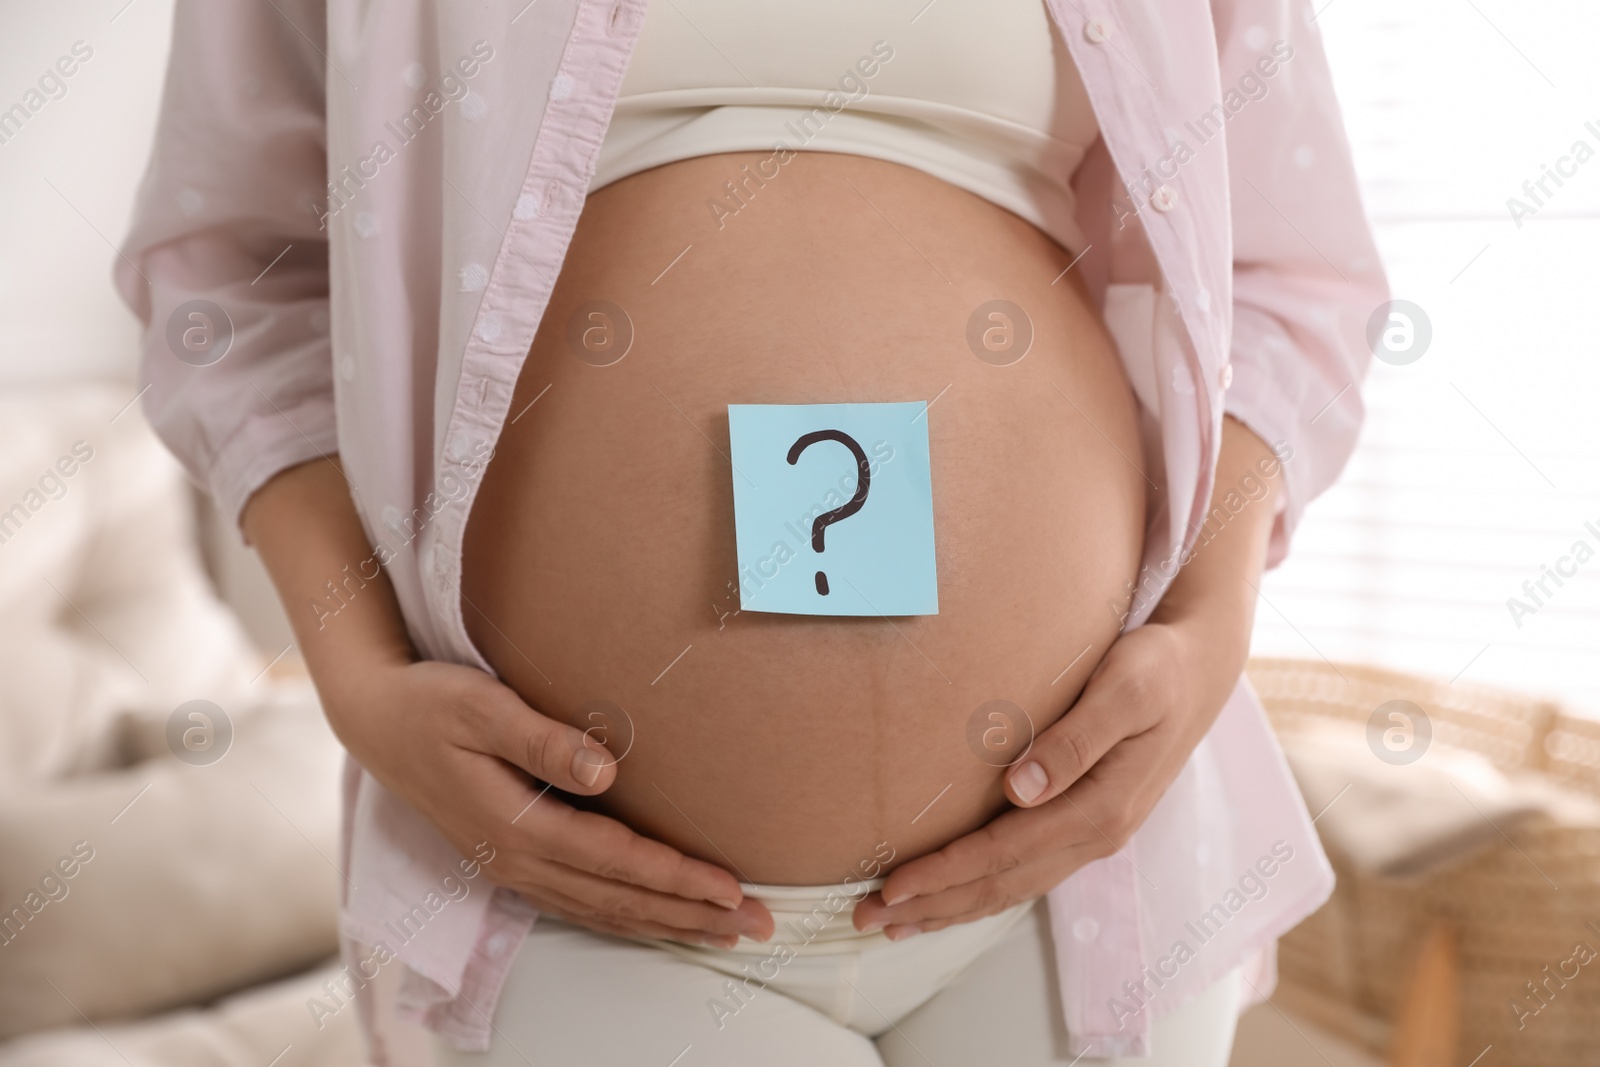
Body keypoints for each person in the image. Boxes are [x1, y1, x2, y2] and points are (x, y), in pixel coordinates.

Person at [116, 1, 1386, 1063]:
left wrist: (1213, 626)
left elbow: (1290, 279)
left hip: (1080, 883)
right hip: (577, 892)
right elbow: (235, 283)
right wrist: (354, 678)